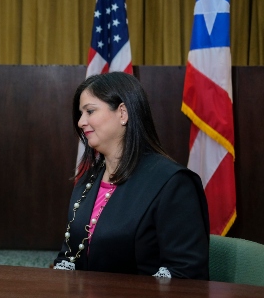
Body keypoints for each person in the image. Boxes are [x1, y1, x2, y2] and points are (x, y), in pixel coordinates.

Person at [54, 72, 209, 279]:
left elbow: (185, 273)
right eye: (80, 114)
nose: (81, 122)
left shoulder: (173, 183)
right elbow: (68, 257)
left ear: (123, 113)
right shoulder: (88, 179)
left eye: (89, 111)